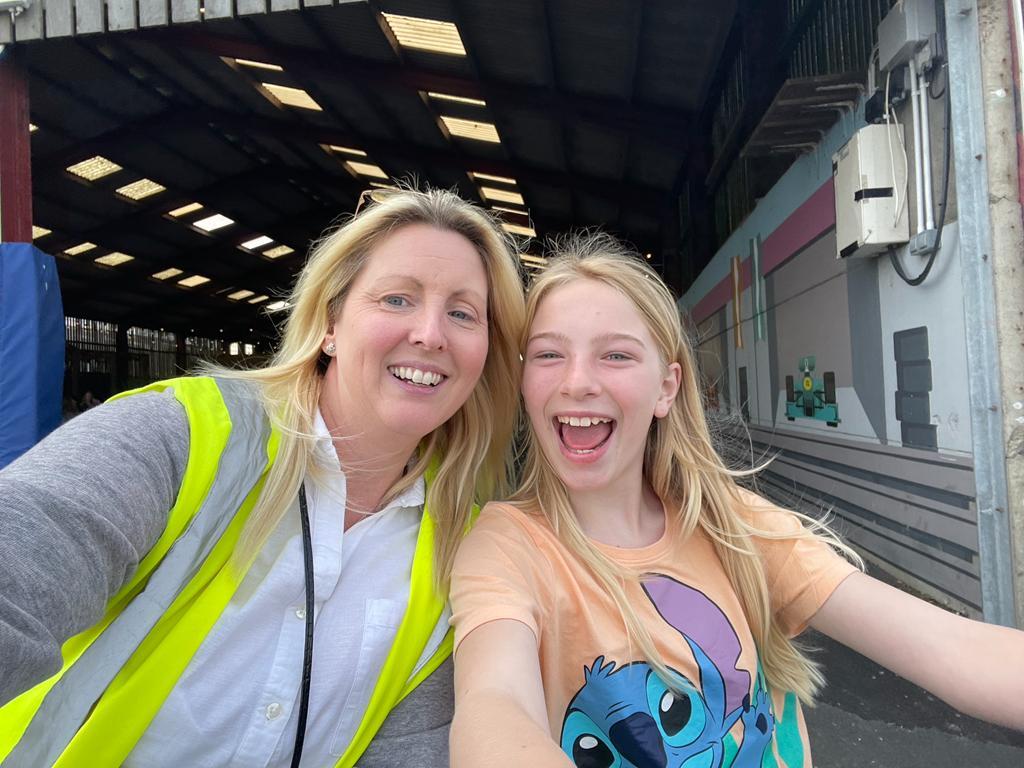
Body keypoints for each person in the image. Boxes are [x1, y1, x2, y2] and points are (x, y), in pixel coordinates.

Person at [448, 233, 1024, 767]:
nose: (576, 381)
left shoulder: (731, 522)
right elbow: (493, 704)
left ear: (666, 388)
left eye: (616, 355)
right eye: (549, 355)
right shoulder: (507, 547)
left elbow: (949, 647)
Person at [0, 187, 526, 768]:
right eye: (397, 299)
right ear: (330, 323)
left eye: (462, 313)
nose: (431, 333)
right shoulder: (184, 436)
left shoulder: (461, 548)